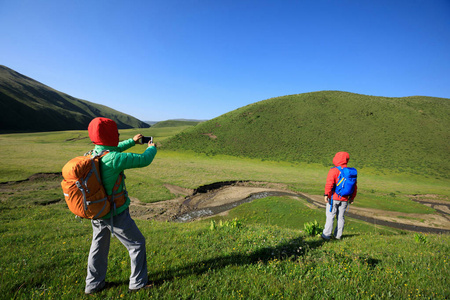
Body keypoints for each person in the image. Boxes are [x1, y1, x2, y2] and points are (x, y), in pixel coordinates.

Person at [84, 117, 157, 294]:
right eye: (115, 132)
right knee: (137, 243)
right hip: (115, 212)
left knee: (98, 246)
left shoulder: (93, 154)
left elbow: (113, 149)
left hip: (97, 210)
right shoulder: (115, 159)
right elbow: (143, 160)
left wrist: (131, 142)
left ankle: (93, 285)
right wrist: (151, 149)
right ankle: (138, 283)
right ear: (110, 134)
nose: (117, 135)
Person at [321, 152, 357, 240]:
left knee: (330, 216)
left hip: (333, 198)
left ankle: (326, 235)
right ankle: (338, 236)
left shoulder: (334, 170)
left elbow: (329, 183)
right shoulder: (350, 172)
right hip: (345, 199)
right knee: (341, 217)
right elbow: (354, 186)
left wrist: (326, 194)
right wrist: (352, 198)